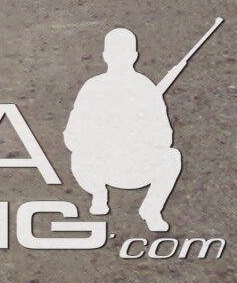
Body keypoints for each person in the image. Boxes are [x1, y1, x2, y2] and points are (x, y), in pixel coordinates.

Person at [65, 28, 185, 233]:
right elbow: (73, 136)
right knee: (78, 155)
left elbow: (164, 137)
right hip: (104, 166)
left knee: (172, 157)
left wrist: (137, 134)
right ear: (134, 56)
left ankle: (150, 209)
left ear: (105, 56)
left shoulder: (144, 88)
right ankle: (99, 194)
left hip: (135, 167)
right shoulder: (94, 88)